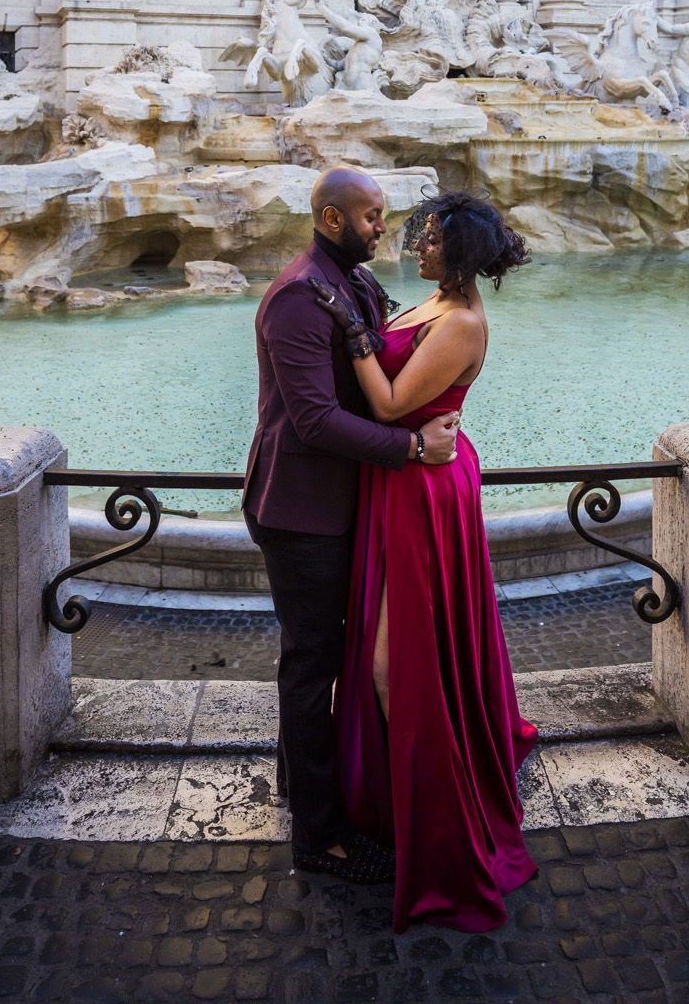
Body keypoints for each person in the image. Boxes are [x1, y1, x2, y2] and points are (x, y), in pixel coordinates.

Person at [314, 191, 538, 932]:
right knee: (404, 649)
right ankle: (390, 795)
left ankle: (437, 821)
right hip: (404, 477)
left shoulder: (462, 322)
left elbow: (386, 406)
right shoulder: (436, 302)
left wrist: (350, 331)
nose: (418, 244)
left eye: (432, 238)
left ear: (462, 254)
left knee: (393, 665)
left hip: (422, 486)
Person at [243, 167, 461, 885]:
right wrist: (409, 448)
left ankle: (302, 786)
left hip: (345, 505)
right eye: (370, 216)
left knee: (326, 663)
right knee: (311, 666)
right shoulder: (298, 299)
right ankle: (318, 837)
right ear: (331, 219)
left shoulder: (353, 285)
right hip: (301, 509)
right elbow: (312, 419)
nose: (381, 227)